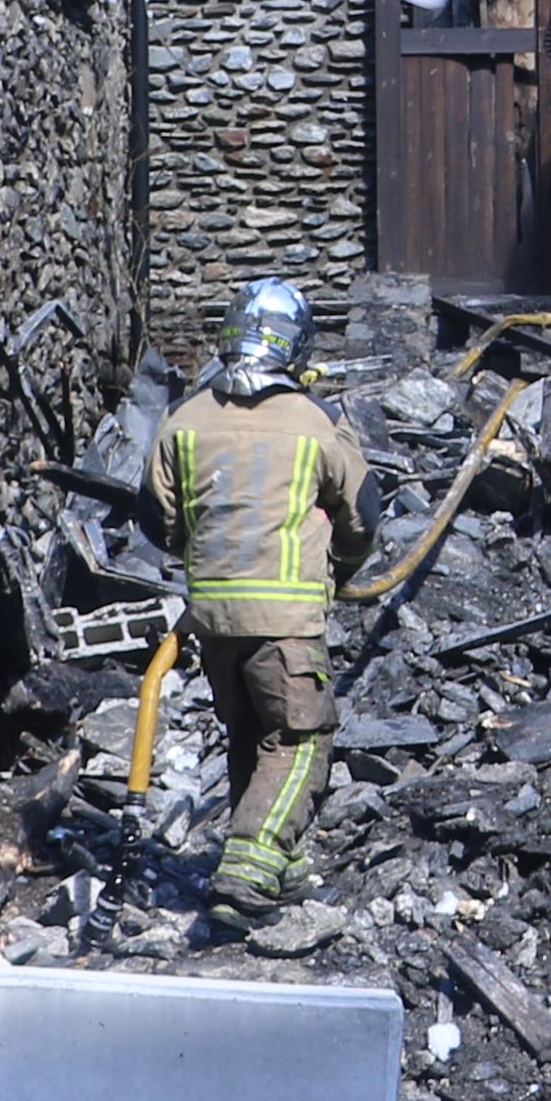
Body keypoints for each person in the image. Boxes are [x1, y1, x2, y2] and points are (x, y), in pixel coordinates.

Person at [150, 277, 372, 918]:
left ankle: (284, 869)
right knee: (302, 739)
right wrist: (343, 566)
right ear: (296, 348)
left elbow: (154, 518)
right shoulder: (315, 423)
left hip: (213, 619)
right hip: (286, 619)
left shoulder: (184, 419)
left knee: (250, 735)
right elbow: (363, 515)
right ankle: (246, 869)